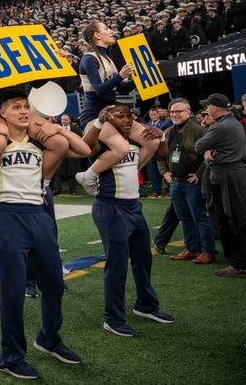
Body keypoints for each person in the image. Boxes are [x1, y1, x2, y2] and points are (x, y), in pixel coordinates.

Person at [0, 86, 90, 380]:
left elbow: (84, 150)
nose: (23, 111)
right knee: (14, 291)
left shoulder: (38, 143)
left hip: (38, 213)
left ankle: (49, 338)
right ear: (2, 112)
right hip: (7, 215)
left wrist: (52, 126)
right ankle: (11, 356)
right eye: (15, 107)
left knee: (55, 284)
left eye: (25, 107)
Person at [82, 104, 174, 337]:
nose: (126, 118)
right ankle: (113, 318)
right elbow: (87, 146)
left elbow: (162, 154)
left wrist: (161, 136)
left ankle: (146, 305)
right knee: (117, 264)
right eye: (119, 115)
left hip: (133, 206)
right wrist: (99, 122)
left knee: (143, 260)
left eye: (129, 115)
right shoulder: (105, 142)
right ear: (108, 118)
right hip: (110, 207)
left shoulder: (134, 141)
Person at [0, 10, 70, 179]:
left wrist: (56, 62)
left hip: (18, 106)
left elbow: (37, 83)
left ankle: (43, 183)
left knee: (59, 143)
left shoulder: (15, 46)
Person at [75, 21, 159, 195]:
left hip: (114, 113)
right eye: (106, 29)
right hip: (95, 115)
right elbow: (99, 90)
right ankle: (88, 176)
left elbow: (121, 89)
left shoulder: (108, 58)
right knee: (122, 148)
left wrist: (140, 76)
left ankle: (128, 173)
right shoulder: (89, 58)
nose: (111, 31)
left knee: (152, 142)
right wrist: (121, 75)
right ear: (97, 35)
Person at [193, 93, 246, 277]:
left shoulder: (220, 127)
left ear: (215, 108)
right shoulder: (234, 123)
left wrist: (208, 148)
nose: (206, 110)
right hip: (235, 174)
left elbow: (198, 146)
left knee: (227, 221)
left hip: (224, 178)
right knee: (239, 220)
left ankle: (239, 265)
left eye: (208, 106)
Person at [153, 98, 215, 264]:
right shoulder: (168, 132)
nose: (175, 114)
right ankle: (191, 249)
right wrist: (165, 172)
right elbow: (160, 156)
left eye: (179, 111)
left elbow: (208, 156)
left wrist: (199, 174)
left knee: (200, 217)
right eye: (172, 111)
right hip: (175, 183)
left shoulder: (199, 130)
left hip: (192, 182)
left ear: (188, 112)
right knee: (184, 218)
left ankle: (208, 251)